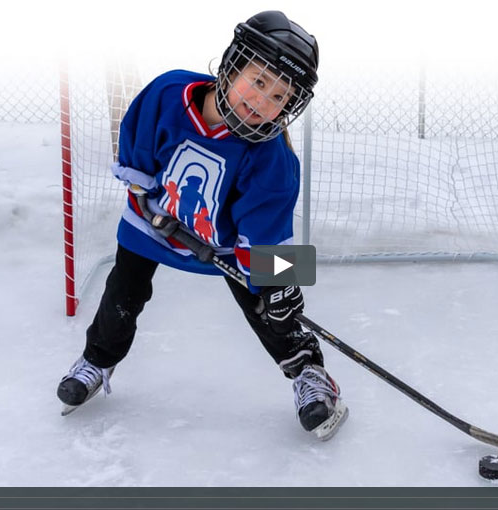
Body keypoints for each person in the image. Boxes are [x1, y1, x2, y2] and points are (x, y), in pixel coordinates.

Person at [57, 11, 348, 440]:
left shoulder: (273, 158)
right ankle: (98, 360)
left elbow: (270, 228)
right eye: (260, 80)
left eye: (280, 96)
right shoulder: (169, 91)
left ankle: (310, 373)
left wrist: (284, 284)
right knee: (123, 290)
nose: (264, 101)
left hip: (228, 245)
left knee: (273, 310)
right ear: (232, 64)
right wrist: (143, 196)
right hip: (153, 222)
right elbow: (137, 147)